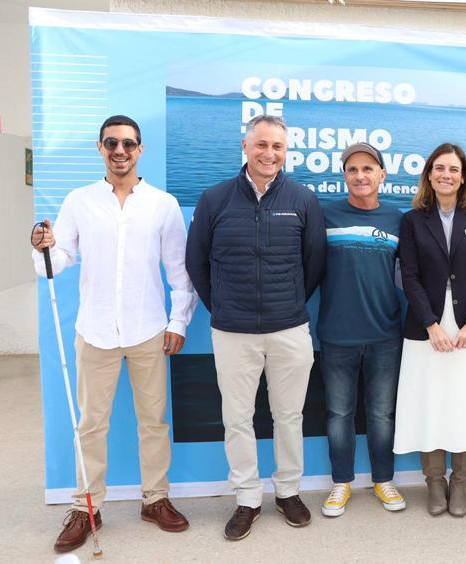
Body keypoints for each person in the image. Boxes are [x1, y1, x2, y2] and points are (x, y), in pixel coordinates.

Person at [32, 115, 196, 553]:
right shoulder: (79, 201)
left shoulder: (162, 204)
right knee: (90, 424)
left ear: (140, 150)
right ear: (100, 148)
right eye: (111, 143)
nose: (119, 150)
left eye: (128, 143)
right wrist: (46, 247)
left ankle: (155, 499)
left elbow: (179, 272)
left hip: (147, 330)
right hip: (96, 329)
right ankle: (87, 507)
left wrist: (178, 321)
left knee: (154, 422)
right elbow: (61, 257)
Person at [185, 114, 326, 540]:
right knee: (237, 418)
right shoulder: (215, 199)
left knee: (289, 415)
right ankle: (247, 498)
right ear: (245, 148)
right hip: (233, 331)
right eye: (261, 145)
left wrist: (287, 304)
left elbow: (314, 263)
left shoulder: (303, 199)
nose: (269, 154)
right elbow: (197, 262)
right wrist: (224, 306)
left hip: (289, 330)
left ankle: (287, 492)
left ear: (286, 153)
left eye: (278, 147)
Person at [392, 143, 466, 518]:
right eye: (439, 168)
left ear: (463, 176)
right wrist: (431, 324)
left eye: (453, 169)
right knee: (430, 405)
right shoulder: (412, 221)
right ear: (429, 175)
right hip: (427, 328)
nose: (446, 175)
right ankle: (434, 481)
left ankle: (459, 483)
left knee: (465, 406)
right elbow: (409, 275)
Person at [317, 143, 405, 517]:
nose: (360, 175)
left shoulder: (398, 220)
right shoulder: (324, 216)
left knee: (382, 415)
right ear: (344, 175)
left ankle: (383, 480)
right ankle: (342, 483)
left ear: (382, 175)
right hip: (336, 335)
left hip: (385, 334)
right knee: (339, 415)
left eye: (368, 168)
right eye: (352, 169)